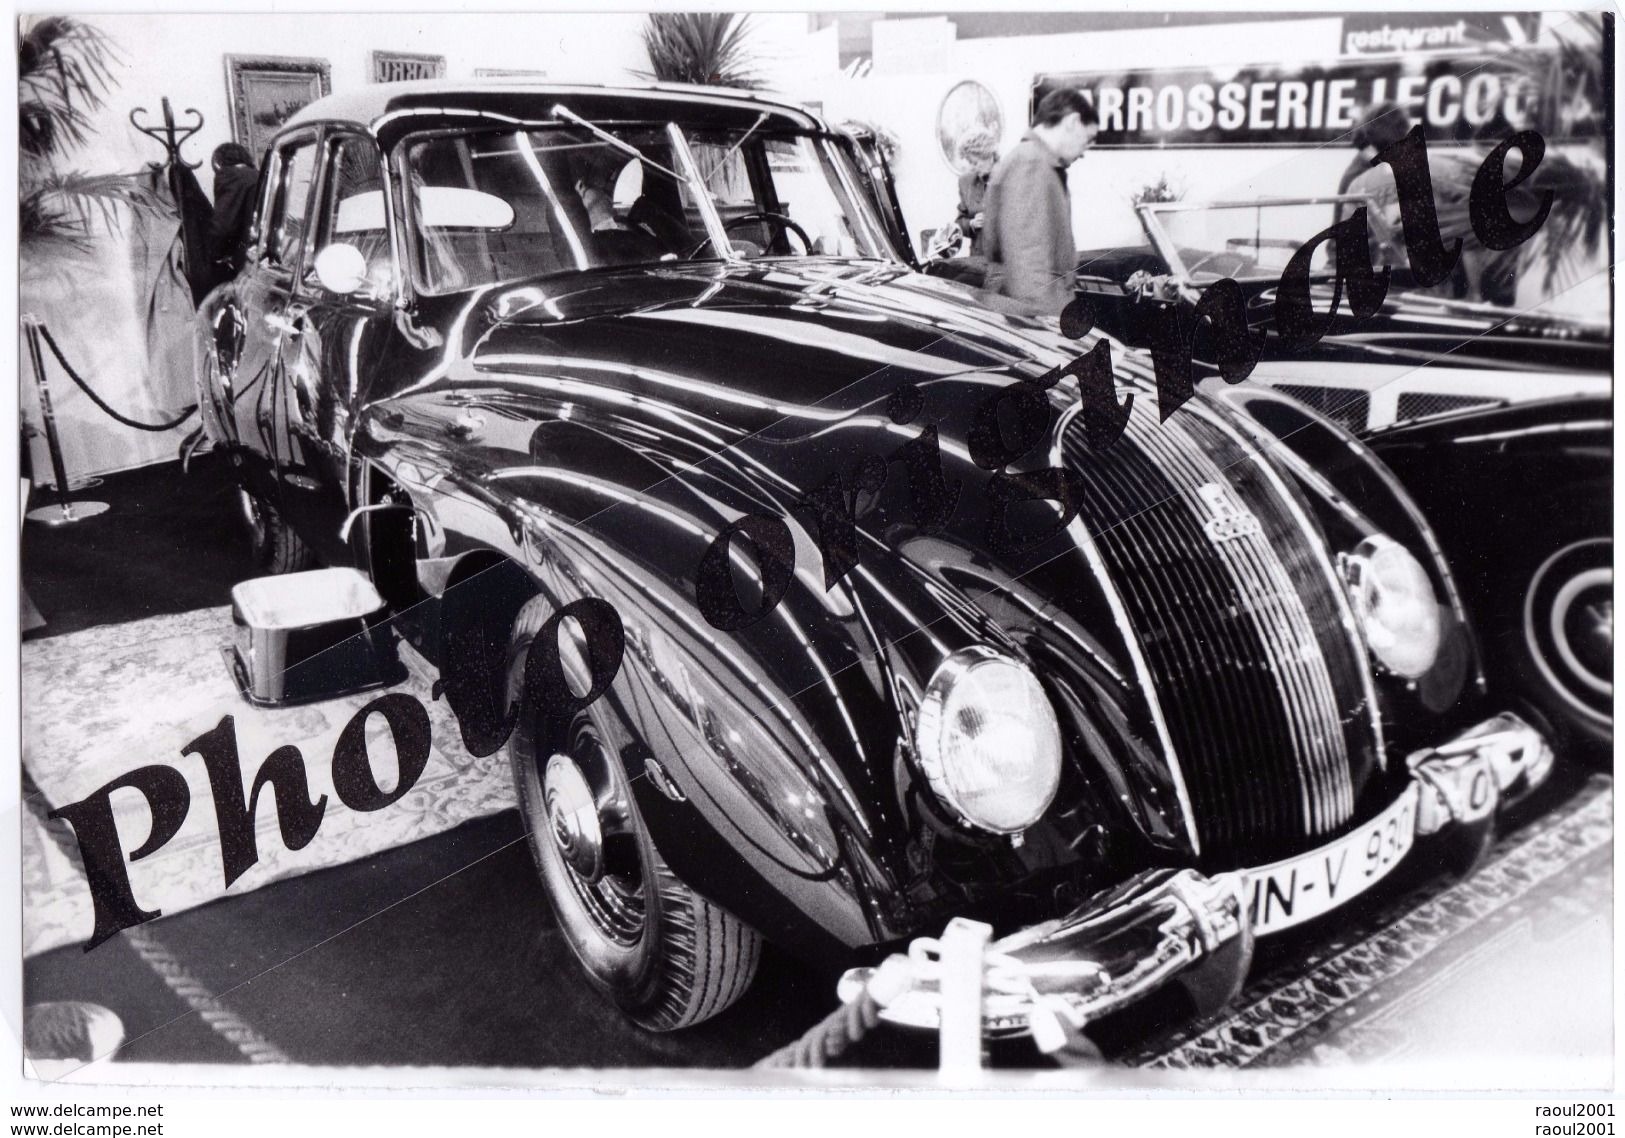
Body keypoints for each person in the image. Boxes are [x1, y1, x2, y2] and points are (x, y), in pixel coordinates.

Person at [980, 87, 1099, 316]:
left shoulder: (1035, 161)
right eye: (1087, 139)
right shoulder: (1031, 164)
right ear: (1072, 122)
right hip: (1038, 319)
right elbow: (1028, 265)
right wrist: (1053, 336)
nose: (1084, 151)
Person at [207, 142, 259, 287]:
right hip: (261, 258)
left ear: (220, 161)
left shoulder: (230, 175)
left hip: (240, 263)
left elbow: (222, 226)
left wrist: (214, 255)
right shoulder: (259, 175)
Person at [953, 129, 999, 255]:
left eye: (974, 162)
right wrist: (971, 224)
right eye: (969, 162)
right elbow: (958, 223)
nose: (971, 167)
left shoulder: (1011, 177)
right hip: (977, 259)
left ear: (989, 156)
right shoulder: (965, 182)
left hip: (1004, 262)